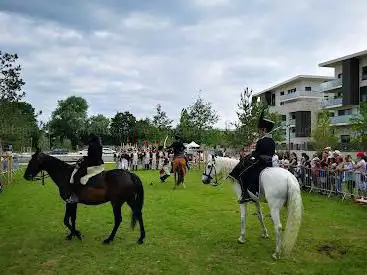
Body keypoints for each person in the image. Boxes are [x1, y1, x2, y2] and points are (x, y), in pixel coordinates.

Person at [229, 109, 275, 204]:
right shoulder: (272, 141)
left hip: (260, 163)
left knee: (242, 174)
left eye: (260, 130)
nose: (259, 132)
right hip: (269, 164)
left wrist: (251, 154)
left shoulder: (261, 141)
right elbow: (270, 153)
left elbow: (257, 154)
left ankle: (246, 195)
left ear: (264, 130)